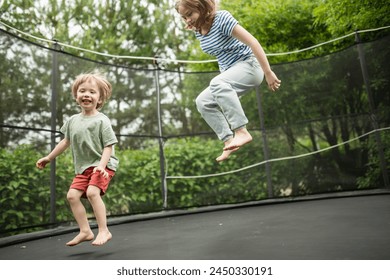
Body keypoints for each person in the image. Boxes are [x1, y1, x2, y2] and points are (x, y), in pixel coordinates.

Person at [175, 0, 281, 162]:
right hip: (232, 73)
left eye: (190, 14)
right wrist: (226, 90)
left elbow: (253, 42)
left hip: (250, 66)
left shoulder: (221, 19)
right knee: (202, 101)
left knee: (217, 83)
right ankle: (229, 141)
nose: (188, 20)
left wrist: (268, 72)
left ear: (201, 7)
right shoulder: (198, 29)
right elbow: (223, 55)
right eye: (184, 17)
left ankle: (241, 131)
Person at [36, 71, 119, 246]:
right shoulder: (72, 120)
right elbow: (65, 141)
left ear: (100, 99)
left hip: (103, 164)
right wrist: (49, 157)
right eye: (82, 91)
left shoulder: (102, 121)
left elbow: (109, 146)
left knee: (92, 193)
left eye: (92, 92)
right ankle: (85, 230)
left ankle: (104, 231)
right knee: (72, 196)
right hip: (84, 168)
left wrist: (102, 167)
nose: (86, 95)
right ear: (76, 95)